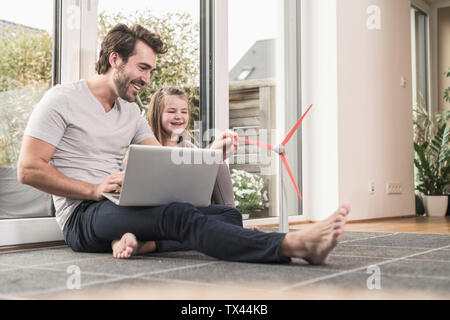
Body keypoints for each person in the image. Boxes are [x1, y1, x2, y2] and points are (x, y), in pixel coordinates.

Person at [18, 23, 351, 265]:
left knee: (227, 215)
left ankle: (141, 243)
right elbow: (29, 169)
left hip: (118, 204)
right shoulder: (62, 100)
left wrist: (210, 156)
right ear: (115, 59)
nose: (147, 79)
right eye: (142, 68)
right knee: (180, 217)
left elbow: (166, 160)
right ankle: (293, 245)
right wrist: (93, 189)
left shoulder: (129, 111)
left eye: (151, 71)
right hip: (83, 214)